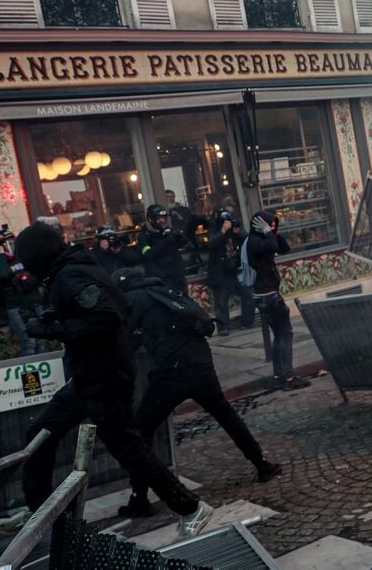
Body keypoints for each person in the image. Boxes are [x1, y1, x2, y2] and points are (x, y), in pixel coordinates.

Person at [0, 222, 212, 537]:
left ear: (37, 256)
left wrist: (52, 329)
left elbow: (108, 317)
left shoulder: (69, 276)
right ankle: (38, 508)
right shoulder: (74, 268)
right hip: (90, 375)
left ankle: (192, 508)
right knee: (40, 431)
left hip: (105, 377)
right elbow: (113, 306)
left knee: (129, 449)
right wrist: (58, 319)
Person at [113, 265, 281, 517]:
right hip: (202, 363)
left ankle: (140, 497)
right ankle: (262, 464)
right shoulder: (163, 290)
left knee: (141, 430)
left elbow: (125, 342)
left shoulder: (132, 300)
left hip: (173, 372)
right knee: (226, 415)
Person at [245, 211, 310, 391]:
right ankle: (288, 377)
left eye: (274, 224)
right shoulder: (254, 241)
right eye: (269, 224)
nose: (272, 227)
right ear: (259, 225)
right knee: (285, 334)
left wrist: (275, 232)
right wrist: (268, 232)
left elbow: (283, 248)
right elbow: (271, 246)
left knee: (279, 335)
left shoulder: (264, 238)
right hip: (268, 295)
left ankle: (278, 376)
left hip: (267, 293)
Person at [0, 226, 40, 357]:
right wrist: (1, 256)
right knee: (28, 342)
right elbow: (2, 275)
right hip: (15, 306)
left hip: (33, 302)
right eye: (7, 243)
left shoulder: (21, 257)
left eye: (12, 242)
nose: (11, 245)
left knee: (40, 341)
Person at [206, 211, 242, 336]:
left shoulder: (233, 229)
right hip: (219, 272)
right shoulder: (214, 230)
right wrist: (223, 231)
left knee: (247, 293)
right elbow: (211, 243)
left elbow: (246, 238)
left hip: (234, 269)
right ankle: (223, 327)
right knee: (221, 301)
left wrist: (238, 231)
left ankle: (247, 322)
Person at [138, 205, 190, 292]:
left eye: (164, 218)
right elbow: (148, 254)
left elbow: (183, 246)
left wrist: (181, 238)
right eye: (159, 219)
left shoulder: (167, 232)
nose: (162, 221)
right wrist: (166, 241)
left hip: (178, 277)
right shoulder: (144, 237)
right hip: (161, 280)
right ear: (151, 219)